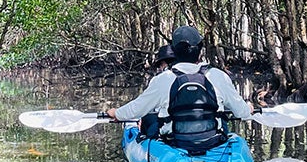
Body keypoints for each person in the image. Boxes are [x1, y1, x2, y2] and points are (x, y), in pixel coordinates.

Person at [107, 26, 253, 153]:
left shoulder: (163, 79)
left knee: (149, 119)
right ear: (200, 50)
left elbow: (136, 109)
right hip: (213, 142)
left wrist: (116, 113)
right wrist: (249, 108)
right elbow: (243, 113)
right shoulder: (218, 76)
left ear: (174, 51)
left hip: (175, 143)